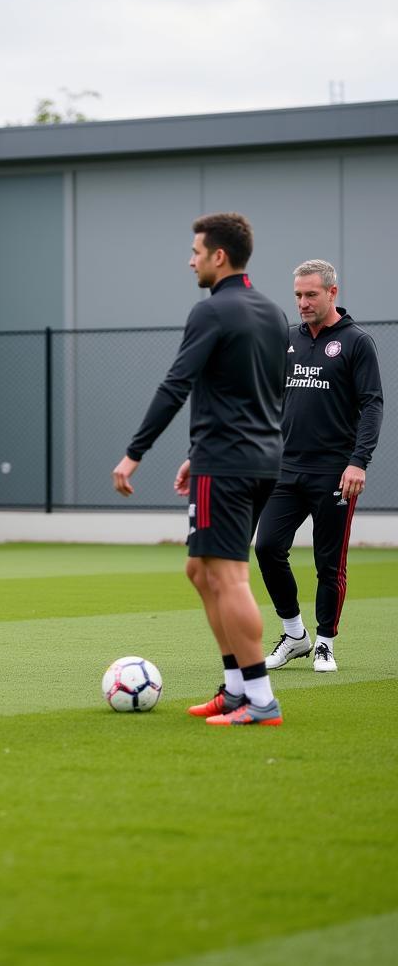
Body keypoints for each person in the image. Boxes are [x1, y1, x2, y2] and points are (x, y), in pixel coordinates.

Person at [111, 212, 289, 726]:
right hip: (259, 460)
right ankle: (236, 689)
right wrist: (201, 450)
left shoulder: (210, 311)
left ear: (219, 256)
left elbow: (175, 385)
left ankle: (260, 700)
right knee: (200, 571)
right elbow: (266, 394)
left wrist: (134, 452)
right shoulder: (273, 312)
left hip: (227, 464)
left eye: (196, 251)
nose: (189, 260)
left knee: (229, 578)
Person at [255, 260, 384, 673]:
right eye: (297, 295)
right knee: (267, 546)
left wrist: (358, 462)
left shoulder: (356, 342)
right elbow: (271, 398)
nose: (303, 303)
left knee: (330, 562)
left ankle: (325, 641)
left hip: (335, 472)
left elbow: (372, 405)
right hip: (286, 468)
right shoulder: (287, 339)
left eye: (311, 294)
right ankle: (295, 635)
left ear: (332, 292)